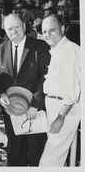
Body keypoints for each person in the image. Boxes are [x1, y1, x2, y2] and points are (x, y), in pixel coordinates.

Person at [0, 14, 50, 166]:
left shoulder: (40, 46)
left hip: (34, 111)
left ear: (24, 26)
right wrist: (1, 94)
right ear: (5, 30)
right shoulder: (0, 49)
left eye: (17, 27)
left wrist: (35, 105)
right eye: (10, 28)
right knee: (16, 153)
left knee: (36, 153)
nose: (14, 31)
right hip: (11, 110)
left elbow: (46, 76)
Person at [39, 15, 80, 166]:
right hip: (54, 106)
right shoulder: (57, 50)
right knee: (55, 157)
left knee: (49, 161)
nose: (47, 35)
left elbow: (72, 89)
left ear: (62, 29)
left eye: (52, 30)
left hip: (63, 110)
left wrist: (61, 117)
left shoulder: (69, 50)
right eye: (44, 32)